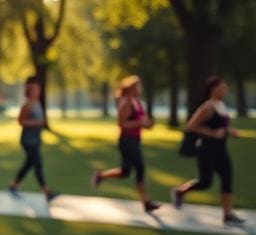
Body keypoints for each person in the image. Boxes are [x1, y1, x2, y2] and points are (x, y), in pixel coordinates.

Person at [171, 76, 245, 226]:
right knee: (205, 182)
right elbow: (190, 126)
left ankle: (228, 214)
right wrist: (212, 133)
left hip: (221, 149)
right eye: (222, 88)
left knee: (227, 178)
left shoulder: (221, 106)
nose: (225, 91)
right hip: (206, 149)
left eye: (225, 88)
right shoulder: (207, 106)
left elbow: (220, 126)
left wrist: (229, 131)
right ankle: (179, 191)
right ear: (213, 89)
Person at [90, 75, 160, 212]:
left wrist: (148, 124)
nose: (140, 88)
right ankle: (146, 202)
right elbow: (121, 124)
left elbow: (143, 121)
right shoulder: (126, 102)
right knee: (140, 167)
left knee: (125, 172)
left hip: (135, 140)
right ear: (131, 88)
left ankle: (100, 176)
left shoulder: (137, 102)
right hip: (127, 141)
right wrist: (139, 123)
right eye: (138, 86)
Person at [8, 76, 57, 201]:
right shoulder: (28, 104)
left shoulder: (38, 103)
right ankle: (47, 192)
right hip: (28, 141)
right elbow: (20, 121)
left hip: (36, 140)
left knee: (29, 164)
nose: (38, 90)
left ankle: (13, 185)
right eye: (35, 88)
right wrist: (36, 123)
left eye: (38, 88)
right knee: (37, 165)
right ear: (30, 90)